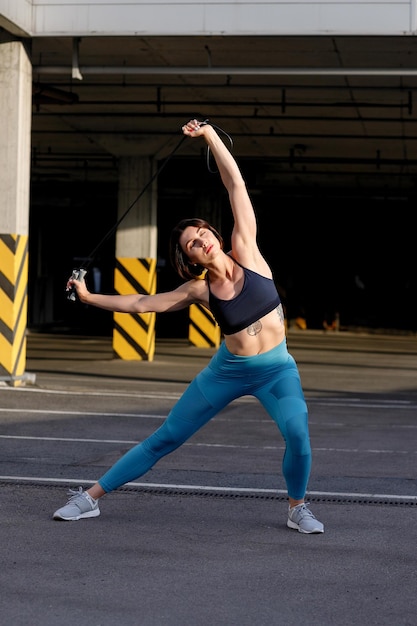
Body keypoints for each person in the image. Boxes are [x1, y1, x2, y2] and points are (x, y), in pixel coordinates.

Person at [53, 119, 324, 534]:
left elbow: (235, 185)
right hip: (227, 371)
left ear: (214, 232)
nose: (200, 240)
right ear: (191, 259)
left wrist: (210, 135)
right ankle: (89, 498)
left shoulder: (247, 251)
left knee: (298, 435)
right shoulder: (200, 289)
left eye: (201, 232)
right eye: (191, 243)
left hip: (276, 369)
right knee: (166, 438)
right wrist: (89, 298)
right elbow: (144, 303)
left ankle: (297, 508)